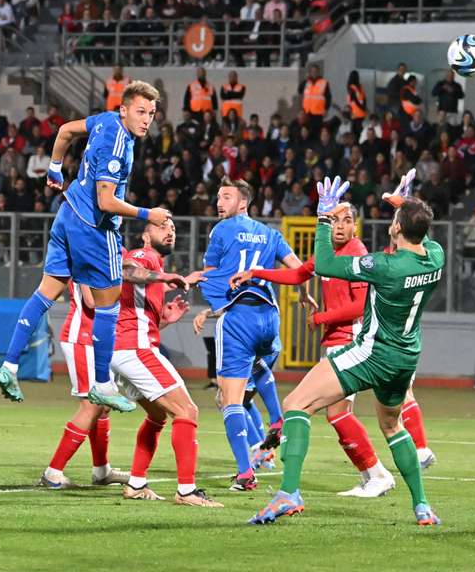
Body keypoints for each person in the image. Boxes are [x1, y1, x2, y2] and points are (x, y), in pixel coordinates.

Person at [249, 176, 443, 527]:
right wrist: (402, 202)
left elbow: (323, 264)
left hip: (372, 352)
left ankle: (288, 493)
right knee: (392, 425)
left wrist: (323, 217)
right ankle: (422, 506)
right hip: (406, 357)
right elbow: (421, 231)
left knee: (295, 404)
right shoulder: (434, 257)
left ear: (397, 227)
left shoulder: (384, 266)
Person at [0, 81, 171, 412]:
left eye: (151, 114)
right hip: (93, 228)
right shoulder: (118, 145)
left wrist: (56, 169)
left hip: (66, 214)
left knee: (46, 293)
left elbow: (65, 131)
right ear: (124, 109)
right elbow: (105, 201)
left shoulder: (104, 120)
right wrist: (150, 214)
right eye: (141, 111)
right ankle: (102, 384)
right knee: (110, 304)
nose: (147, 119)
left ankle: (9, 365)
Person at [233, 205, 398, 498]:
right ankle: (374, 474)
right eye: (334, 220)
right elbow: (297, 275)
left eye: (347, 220)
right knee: (337, 414)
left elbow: (360, 305)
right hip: (335, 340)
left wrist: (320, 317)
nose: (339, 226)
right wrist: (255, 273)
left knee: (331, 412)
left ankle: (375, 474)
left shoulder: (357, 252)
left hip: (351, 340)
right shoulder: (326, 252)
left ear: (355, 227)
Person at [193, 180, 309, 491]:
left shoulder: (221, 231)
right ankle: (274, 421)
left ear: (243, 202)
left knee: (227, 399)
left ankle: (246, 474)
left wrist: (202, 293)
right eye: (218, 196)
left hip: (239, 317)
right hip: (270, 317)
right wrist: (307, 297)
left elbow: (213, 276)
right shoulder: (271, 233)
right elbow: (299, 271)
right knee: (253, 374)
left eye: (226, 196)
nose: (219, 202)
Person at [113, 220, 221, 507]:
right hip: (134, 349)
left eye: (172, 226)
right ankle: (187, 491)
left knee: (159, 416)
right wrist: (167, 277)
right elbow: (125, 270)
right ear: (146, 236)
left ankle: (136, 484)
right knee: (187, 410)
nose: (170, 230)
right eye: (162, 226)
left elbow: (137, 317)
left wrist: (165, 319)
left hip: (129, 348)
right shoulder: (142, 255)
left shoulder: (155, 268)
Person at [39, 279, 131, 489]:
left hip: (99, 339)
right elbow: (92, 301)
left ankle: (102, 471)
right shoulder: (89, 257)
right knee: (93, 405)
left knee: (104, 406)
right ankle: (52, 473)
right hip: (82, 337)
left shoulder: (111, 254)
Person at [299, 64, 330, 139]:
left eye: (315, 71)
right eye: (312, 71)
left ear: (318, 72)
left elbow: (328, 97)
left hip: (318, 113)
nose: (314, 73)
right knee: (307, 132)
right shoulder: (306, 82)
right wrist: (306, 80)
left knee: (317, 132)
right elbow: (299, 90)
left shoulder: (324, 82)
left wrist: (326, 109)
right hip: (307, 112)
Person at [346, 70, 367, 140]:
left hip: (355, 112)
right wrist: (363, 107)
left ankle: (356, 144)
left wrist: (361, 107)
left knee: (355, 131)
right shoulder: (360, 87)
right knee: (358, 130)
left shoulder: (351, 87)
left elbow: (354, 100)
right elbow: (364, 99)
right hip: (360, 112)